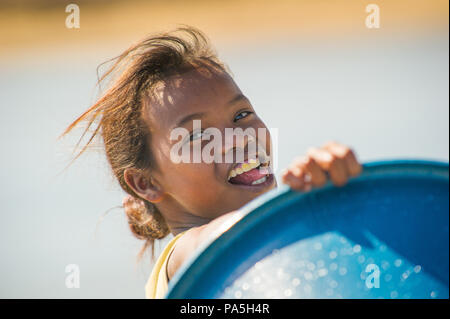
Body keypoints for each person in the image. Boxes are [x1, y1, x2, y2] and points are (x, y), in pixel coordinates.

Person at [62, 26, 362, 298]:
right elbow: (222, 239)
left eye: (241, 115)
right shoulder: (183, 257)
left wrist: (349, 200)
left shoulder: (276, 251)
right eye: (198, 136)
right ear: (147, 183)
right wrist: (306, 205)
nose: (238, 138)